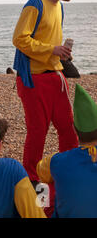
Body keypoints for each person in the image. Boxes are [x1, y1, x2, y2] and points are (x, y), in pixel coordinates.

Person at [12, 0, 80, 183]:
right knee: (38, 132)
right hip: (34, 79)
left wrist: (61, 53)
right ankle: (30, 177)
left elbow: (49, 41)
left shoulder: (59, 6)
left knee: (68, 127)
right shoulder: (35, 4)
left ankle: (71, 169)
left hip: (56, 76)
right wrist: (52, 49)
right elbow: (19, 39)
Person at [37, 84, 97, 217]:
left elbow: (40, 170)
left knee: (43, 186)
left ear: (75, 130)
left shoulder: (57, 161)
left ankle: (40, 214)